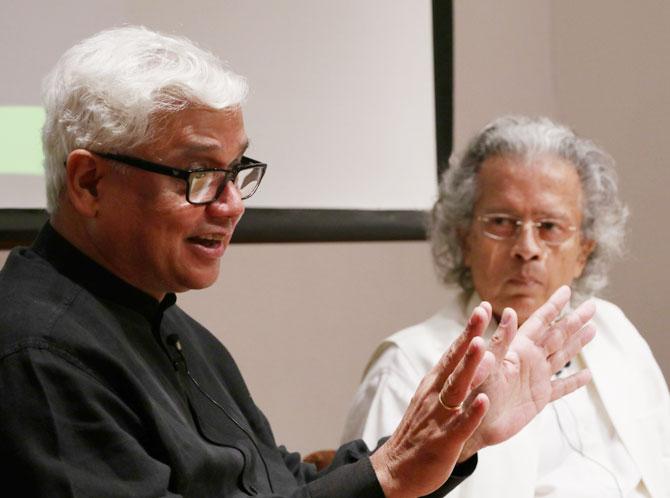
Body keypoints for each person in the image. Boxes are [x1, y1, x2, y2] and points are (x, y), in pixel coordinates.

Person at [0, 29, 595, 497]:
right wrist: (389, 473)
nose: (232, 205)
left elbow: (283, 487)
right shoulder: (40, 356)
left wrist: (454, 437)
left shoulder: (182, 334)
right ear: (88, 182)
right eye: (200, 175)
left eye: (238, 173)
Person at [342, 115, 670, 497]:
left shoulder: (613, 329)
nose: (526, 248)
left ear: (584, 250)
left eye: (549, 227)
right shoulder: (407, 365)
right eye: (501, 222)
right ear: (464, 240)